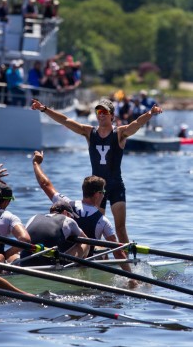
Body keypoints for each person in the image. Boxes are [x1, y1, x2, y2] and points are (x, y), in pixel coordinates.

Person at [31, 98, 163, 246]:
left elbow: (137, 124)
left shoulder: (120, 133)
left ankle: (127, 259)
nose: (101, 115)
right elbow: (66, 120)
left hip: (116, 186)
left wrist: (150, 113)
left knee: (120, 228)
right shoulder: (89, 132)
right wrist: (44, 109)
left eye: (105, 112)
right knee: (96, 229)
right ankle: (100, 260)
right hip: (96, 189)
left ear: (112, 115)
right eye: (99, 111)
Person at [31, 151, 138, 288]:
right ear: (98, 194)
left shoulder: (65, 203)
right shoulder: (102, 221)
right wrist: (131, 277)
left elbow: (45, 184)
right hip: (84, 264)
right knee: (104, 246)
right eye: (103, 193)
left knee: (99, 246)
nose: (104, 196)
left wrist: (36, 163)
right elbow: (117, 251)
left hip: (60, 258)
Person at [19, 200, 89, 266]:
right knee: (85, 243)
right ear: (65, 212)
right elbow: (85, 238)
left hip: (24, 262)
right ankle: (83, 267)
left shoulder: (33, 218)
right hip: (50, 265)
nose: (71, 218)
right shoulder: (68, 220)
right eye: (71, 215)